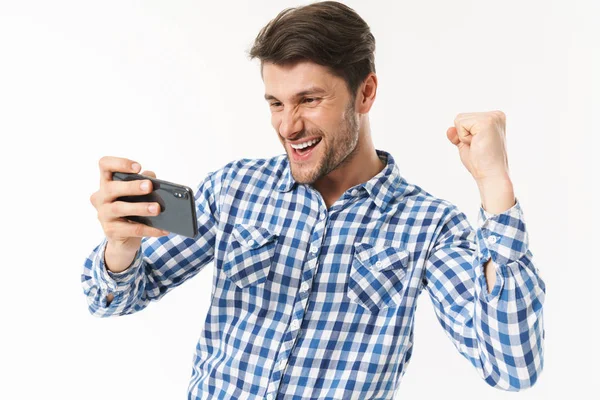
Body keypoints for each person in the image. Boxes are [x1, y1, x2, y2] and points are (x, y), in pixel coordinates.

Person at [82, 1, 545, 399]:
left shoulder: (428, 225)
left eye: (308, 100)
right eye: (276, 103)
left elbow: (513, 366)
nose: (288, 127)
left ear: (365, 93)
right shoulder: (234, 189)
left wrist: (494, 183)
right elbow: (113, 299)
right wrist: (122, 246)